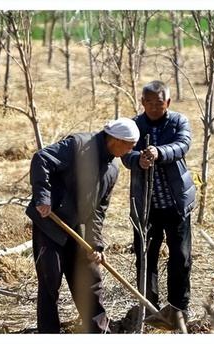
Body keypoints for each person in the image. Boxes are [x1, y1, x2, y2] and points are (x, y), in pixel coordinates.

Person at [25, 118, 139, 333]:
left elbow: (98, 211)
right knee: (51, 282)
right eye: (129, 144)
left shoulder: (112, 169)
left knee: (90, 282)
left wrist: (95, 244)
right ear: (115, 139)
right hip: (50, 223)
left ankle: (98, 332)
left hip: (78, 228)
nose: (131, 149)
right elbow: (42, 159)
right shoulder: (78, 145)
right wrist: (43, 197)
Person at [122, 80, 196, 318]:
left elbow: (183, 144)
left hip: (175, 203)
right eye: (149, 102)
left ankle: (178, 308)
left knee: (181, 257)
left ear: (168, 103)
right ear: (142, 102)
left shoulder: (178, 122)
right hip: (146, 206)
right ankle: (149, 306)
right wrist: (137, 160)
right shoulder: (133, 125)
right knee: (145, 256)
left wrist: (159, 151)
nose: (154, 107)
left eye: (160, 103)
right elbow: (124, 152)